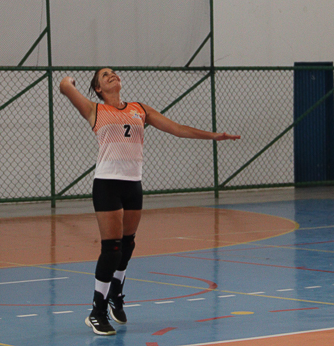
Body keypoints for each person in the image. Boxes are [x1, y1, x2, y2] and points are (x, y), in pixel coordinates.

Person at [60, 68, 240, 336]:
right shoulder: (94, 110)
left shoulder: (139, 109)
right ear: (98, 88)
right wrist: (70, 81)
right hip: (107, 184)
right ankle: (97, 311)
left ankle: (116, 292)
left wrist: (213, 136)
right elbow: (65, 86)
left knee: (128, 243)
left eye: (114, 72)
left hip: (133, 183)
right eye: (105, 75)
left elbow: (177, 129)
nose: (112, 75)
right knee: (112, 249)